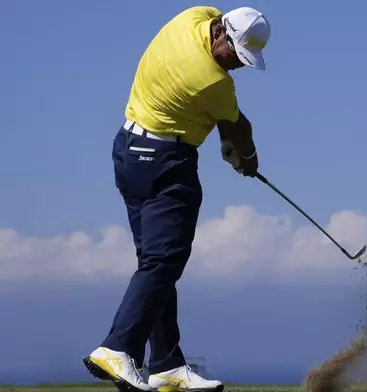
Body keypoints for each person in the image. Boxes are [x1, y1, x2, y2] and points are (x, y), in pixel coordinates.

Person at [82, 5, 271, 392]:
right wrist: (248, 160)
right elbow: (239, 126)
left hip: (128, 150)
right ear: (220, 35)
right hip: (166, 164)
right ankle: (119, 348)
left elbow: (224, 123)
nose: (236, 64)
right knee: (164, 261)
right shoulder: (213, 82)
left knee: (155, 263)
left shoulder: (193, 17)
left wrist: (223, 138)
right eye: (235, 54)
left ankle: (167, 364)